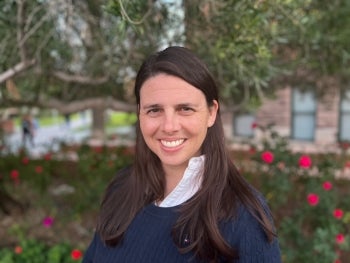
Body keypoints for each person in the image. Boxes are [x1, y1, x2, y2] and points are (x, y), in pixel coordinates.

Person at [82, 46, 282, 263]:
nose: (169, 126)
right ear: (139, 113)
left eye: (185, 109)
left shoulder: (243, 216)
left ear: (211, 113)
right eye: (154, 110)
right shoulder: (121, 189)